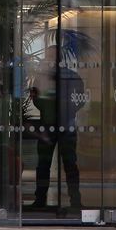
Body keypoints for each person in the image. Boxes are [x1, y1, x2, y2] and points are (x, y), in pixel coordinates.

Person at [28, 44, 86, 211]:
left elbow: (36, 99)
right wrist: (68, 111)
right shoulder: (71, 75)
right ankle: (75, 201)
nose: (47, 58)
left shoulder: (42, 78)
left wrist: (49, 111)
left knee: (46, 164)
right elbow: (80, 100)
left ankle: (40, 200)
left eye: (49, 55)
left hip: (51, 125)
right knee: (68, 165)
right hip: (65, 125)